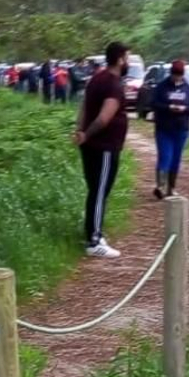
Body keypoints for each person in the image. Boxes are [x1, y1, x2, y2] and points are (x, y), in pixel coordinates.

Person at [74, 42, 131, 259]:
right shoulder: (113, 85)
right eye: (127, 57)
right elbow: (104, 117)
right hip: (104, 147)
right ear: (119, 59)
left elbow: (83, 107)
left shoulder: (96, 78)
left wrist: (80, 130)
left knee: (95, 191)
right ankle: (94, 240)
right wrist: (87, 134)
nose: (128, 61)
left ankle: (93, 230)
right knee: (99, 192)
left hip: (90, 146)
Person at [152, 59, 189, 199]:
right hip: (164, 128)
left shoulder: (188, 89)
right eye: (175, 75)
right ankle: (160, 186)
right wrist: (168, 107)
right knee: (165, 156)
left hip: (181, 129)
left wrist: (185, 108)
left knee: (176, 159)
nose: (177, 78)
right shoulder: (162, 87)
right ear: (171, 73)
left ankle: (171, 187)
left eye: (180, 75)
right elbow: (154, 103)